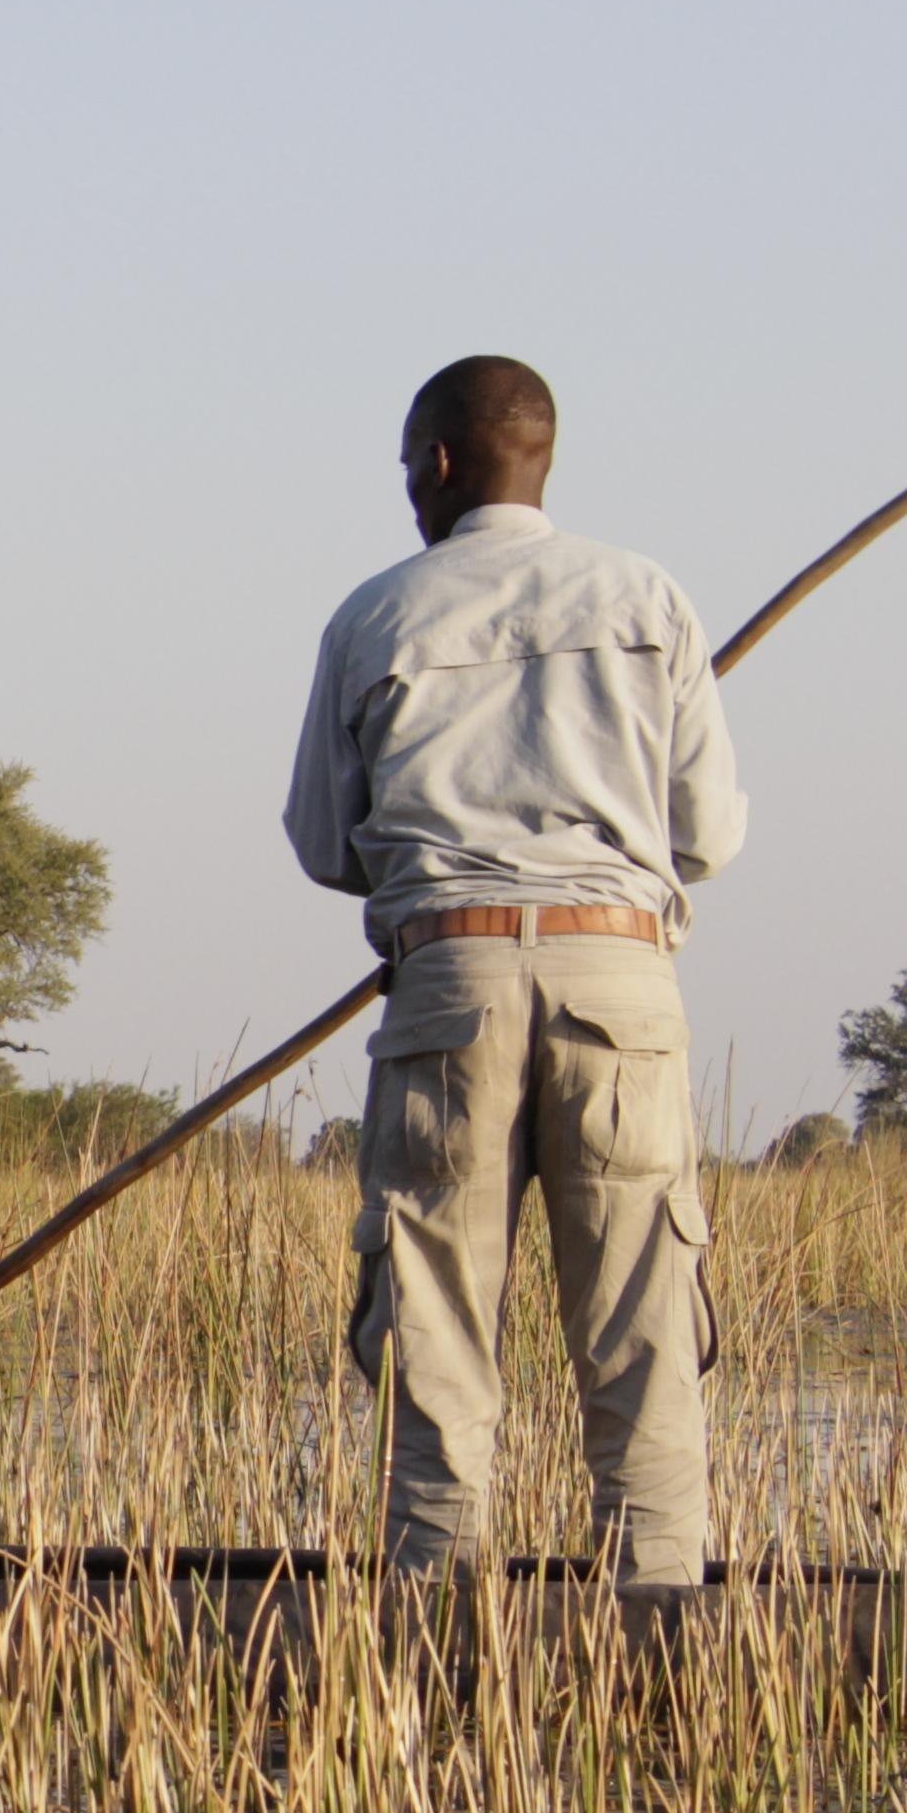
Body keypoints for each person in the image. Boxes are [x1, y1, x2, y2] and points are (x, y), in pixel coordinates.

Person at [284, 355, 742, 1618]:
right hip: (623, 979)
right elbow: (704, 836)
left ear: (436, 466)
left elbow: (328, 845)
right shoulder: (650, 599)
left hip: (449, 979)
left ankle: (431, 1608)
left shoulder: (375, 614)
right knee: (644, 1308)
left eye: (404, 473)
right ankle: (658, 1606)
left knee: (430, 1308)